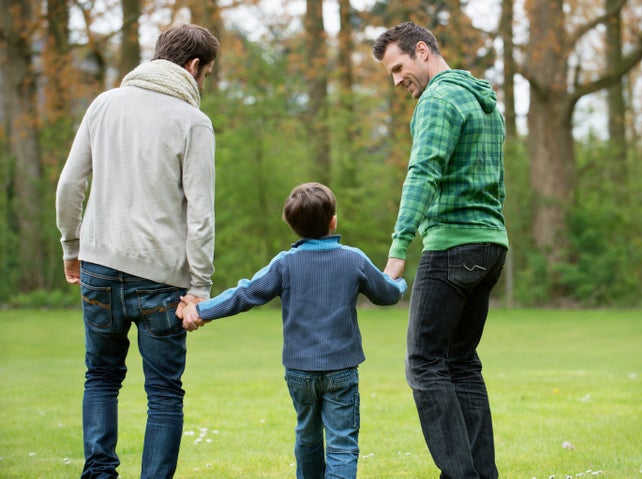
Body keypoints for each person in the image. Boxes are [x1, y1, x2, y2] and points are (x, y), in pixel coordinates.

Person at [55, 23, 220, 479]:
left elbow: (70, 184)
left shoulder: (105, 104)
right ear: (193, 66)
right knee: (164, 392)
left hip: (100, 266)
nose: (202, 84)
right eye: (205, 74)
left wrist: (72, 245)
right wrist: (200, 286)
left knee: (101, 378)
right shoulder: (193, 122)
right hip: (163, 280)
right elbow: (201, 214)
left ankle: (99, 474)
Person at [179, 182, 407, 479]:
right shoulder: (354, 259)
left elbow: (245, 293)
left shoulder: (285, 263)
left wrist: (201, 309)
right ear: (333, 220)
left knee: (308, 438)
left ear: (291, 226)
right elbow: (386, 294)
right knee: (341, 444)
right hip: (341, 368)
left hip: (299, 370)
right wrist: (397, 282)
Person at [372, 22, 509, 479]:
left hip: (452, 246)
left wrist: (397, 250)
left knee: (424, 364)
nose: (396, 81)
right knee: (461, 364)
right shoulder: (485, 101)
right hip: (490, 245)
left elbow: (423, 173)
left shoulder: (438, 100)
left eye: (398, 67)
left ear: (423, 51)